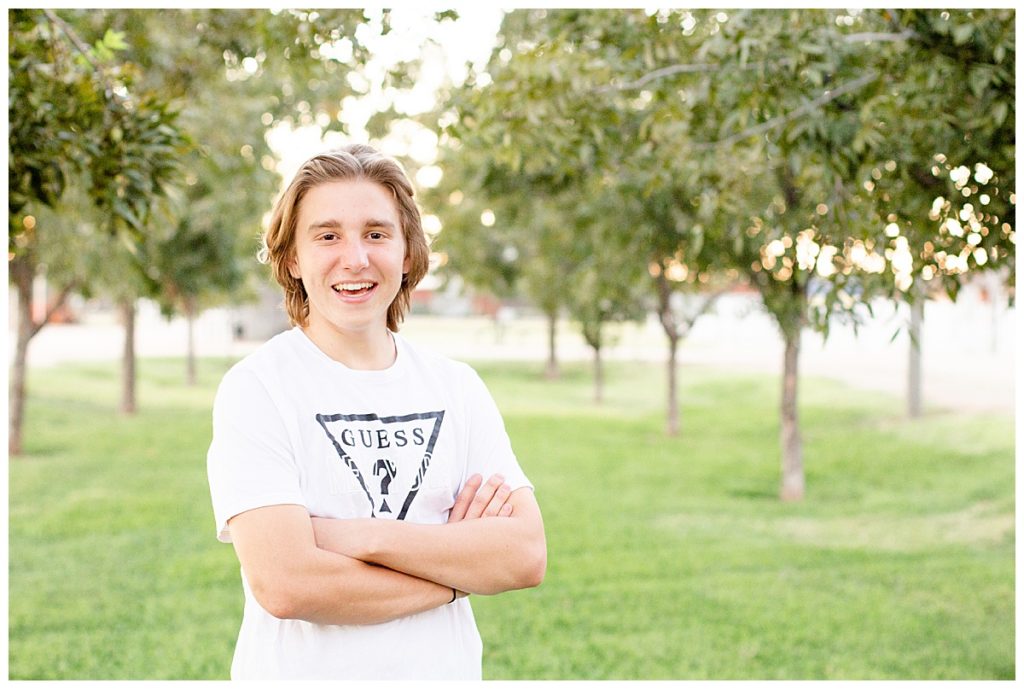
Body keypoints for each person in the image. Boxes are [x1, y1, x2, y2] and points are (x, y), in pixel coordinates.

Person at [206, 144, 546, 680]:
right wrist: (459, 569)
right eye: (327, 235)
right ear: (292, 257)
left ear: (407, 252)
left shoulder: (456, 388)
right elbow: (287, 584)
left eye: (376, 233)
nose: (356, 258)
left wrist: (362, 536)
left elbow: (524, 554)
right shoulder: (258, 389)